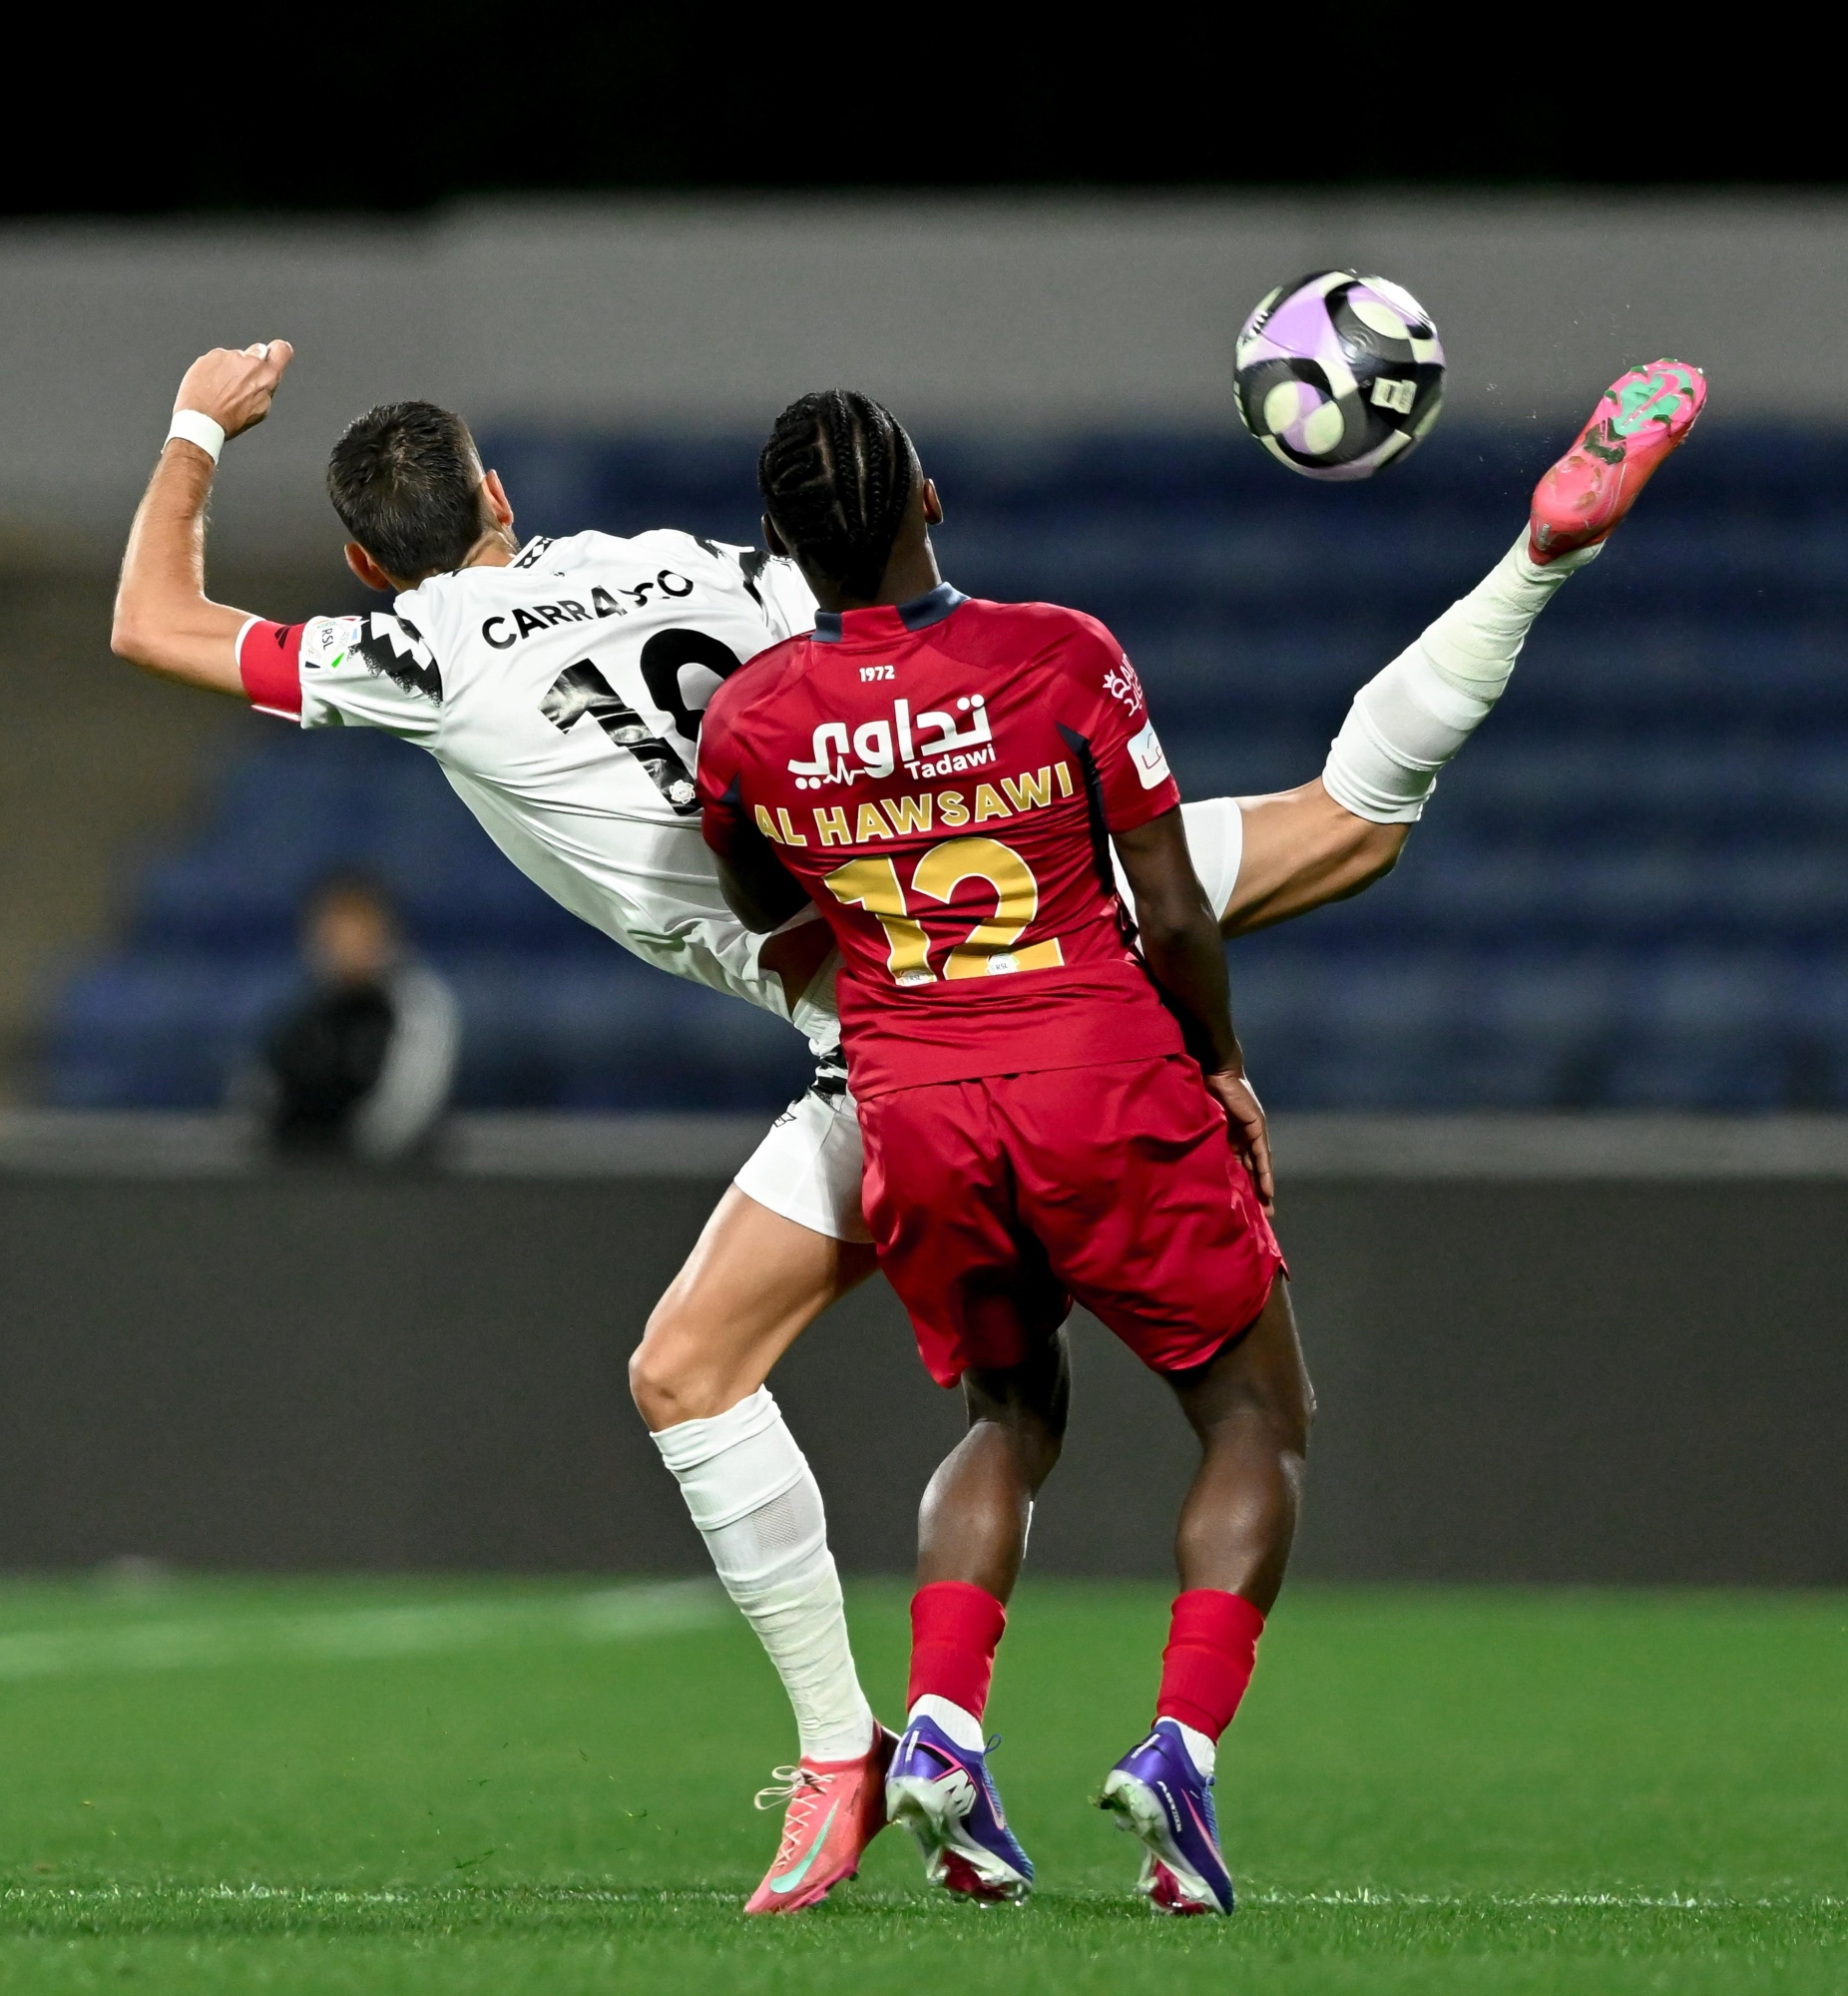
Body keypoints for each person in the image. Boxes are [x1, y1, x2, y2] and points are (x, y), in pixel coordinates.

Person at [109, 340, 1701, 1911]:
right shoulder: (684, 562)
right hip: (1038, 904)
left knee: (703, 1376)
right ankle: (1536, 561)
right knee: (1345, 825)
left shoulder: (413, 648)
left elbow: (152, 622)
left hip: (889, 1037)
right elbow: (883, 629)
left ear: (366, 564)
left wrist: (197, 423)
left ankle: (844, 1751)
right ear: (502, 496)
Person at [698, 370, 1702, 1914]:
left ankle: (943, 1729)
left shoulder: (751, 718)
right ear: (931, 499)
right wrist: (1220, 1065)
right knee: (1254, 1415)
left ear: (780, 546)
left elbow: (770, 911)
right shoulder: (1057, 654)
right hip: (1098, 1075)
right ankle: (1178, 1750)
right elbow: (1169, 906)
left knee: (1006, 1415)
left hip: (919, 1106)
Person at [255, 871, 459, 1163]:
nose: (346, 945)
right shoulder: (306, 1014)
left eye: (358, 931)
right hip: (310, 1175)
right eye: (335, 933)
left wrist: (348, 1155)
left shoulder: (418, 1005)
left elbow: (409, 1107)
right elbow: (266, 1097)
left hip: (397, 1176)